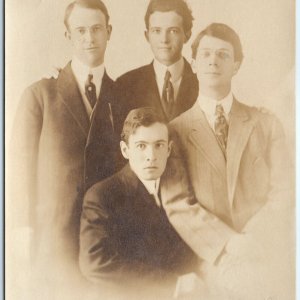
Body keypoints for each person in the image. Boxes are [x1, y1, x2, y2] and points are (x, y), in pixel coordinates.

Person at [160, 23, 294, 298]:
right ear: (194, 64)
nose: (213, 61)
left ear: (236, 65)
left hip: (263, 253)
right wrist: (229, 243)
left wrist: (253, 240)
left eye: (223, 54)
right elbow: (177, 203)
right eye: (206, 54)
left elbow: (286, 189)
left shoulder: (265, 123)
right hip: (209, 259)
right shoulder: (175, 131)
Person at [9, 0, 118, 283]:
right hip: (53, 238)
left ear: (109, 31)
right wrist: (21, 228)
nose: (89, 38)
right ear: (68, 36)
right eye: (80, 30)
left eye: (96, 29)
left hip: (107, 238)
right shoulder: (40, 94)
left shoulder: (123, 96)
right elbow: (19, 167)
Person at [79, 107, 197, 299]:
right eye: (141, 146)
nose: (151, 155)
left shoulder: (180, 189)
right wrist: (173, 285)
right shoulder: (102, 196)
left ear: (169, 149)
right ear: (125, 150)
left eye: (159, 145)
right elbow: (95, 262)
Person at [115, 0, 198, 133]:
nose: (164, 39)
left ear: (187, 35)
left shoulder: (202, 82)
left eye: (173, 31)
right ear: (147, 36)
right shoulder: (125, 85)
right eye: (156, 31)